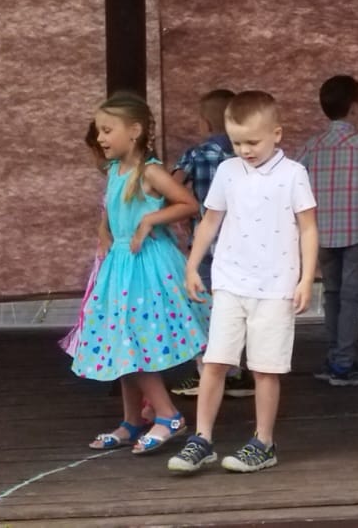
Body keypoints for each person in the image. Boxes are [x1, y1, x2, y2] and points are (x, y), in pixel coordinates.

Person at [170, 91, 319, 474]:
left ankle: (263, 442)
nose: (244, 150)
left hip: (275, 287)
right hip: (229, 282)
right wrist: (192, 266)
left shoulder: (293, 174)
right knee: (215, 362)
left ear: (276, 134)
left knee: (266, 368)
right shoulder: (227, 171)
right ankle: (202, 438)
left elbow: (308, 228)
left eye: (252, 141)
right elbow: (209, 220)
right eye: (237, 142)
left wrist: (306, 278)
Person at [71, 92, 208, 455]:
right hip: (120, 266)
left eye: (107, 130)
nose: (100, 138)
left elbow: (188, 204)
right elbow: (111, 209)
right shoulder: (114, 170)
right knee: (119, 342)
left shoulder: (150, 171)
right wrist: (104, 230)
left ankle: (168, 415)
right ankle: (132, 420)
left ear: (134, 131)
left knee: (132, 342)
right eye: (98, 130)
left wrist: (150, 220)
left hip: (147, 266)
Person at [297, 75, 358, 387]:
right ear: (354, 108)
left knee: (332, 294)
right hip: (356, 231)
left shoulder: (313, 145)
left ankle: (333, 358)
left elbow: (292, 176)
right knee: (351, 298)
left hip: (321, 232)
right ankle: (344, 363)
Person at [170, 89, 249, 399]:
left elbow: (172, 186)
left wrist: (184, 212)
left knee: (203, 307)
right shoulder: (246, 155)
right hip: (241, 245)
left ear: (204, 123)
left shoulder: (196, 154)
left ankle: (206, 371)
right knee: (237, 307)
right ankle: (236, 372)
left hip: (204, 243)